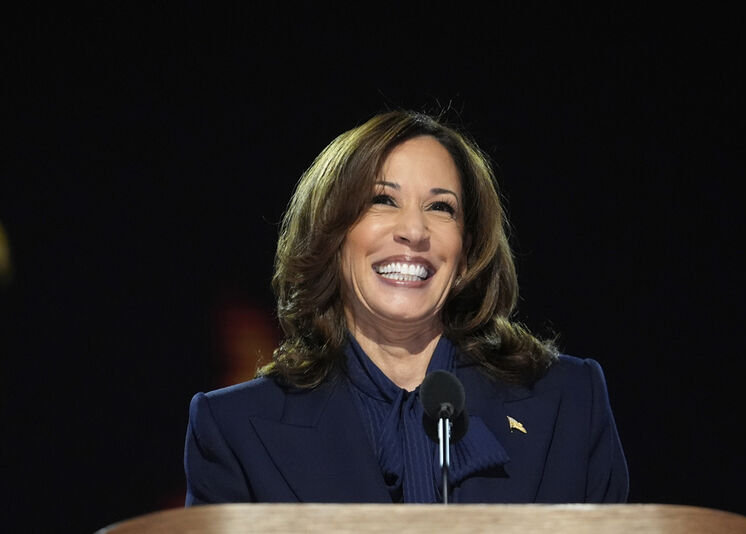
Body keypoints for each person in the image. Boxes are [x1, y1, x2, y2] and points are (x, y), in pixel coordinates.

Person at [184, 110, 628, 504]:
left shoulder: (570, 402)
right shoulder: (235, 430)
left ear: (466, 251)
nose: (414, 231)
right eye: (382, 200)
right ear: (332, 236)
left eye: (441, 207)